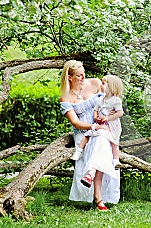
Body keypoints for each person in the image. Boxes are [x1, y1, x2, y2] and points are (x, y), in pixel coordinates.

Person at [59, 60, 121, 211]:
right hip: (84, 133)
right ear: (69, 77)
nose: (83, 78)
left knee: (101, 140)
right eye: (79, 76)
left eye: (83, 74)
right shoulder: (65, 97)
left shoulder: (94, 83)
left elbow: (110, 100)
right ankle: (98, 198)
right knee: (98, 144)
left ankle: (92, 181)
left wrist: (109, 116)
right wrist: (93, 126)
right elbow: (76, 123)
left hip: (103, 128)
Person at [71, 75, 124, 170]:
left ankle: (116, 160)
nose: (100, 86)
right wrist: (96, 117)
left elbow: (120, 113)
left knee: (114, 142)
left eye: (103, 84)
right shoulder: (100, 100)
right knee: (88, 134)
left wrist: (108, 118)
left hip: (111, 125)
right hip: (100, 124)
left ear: (111, 87)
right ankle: (79, 151)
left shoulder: (116, 100)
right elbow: (95, 110)